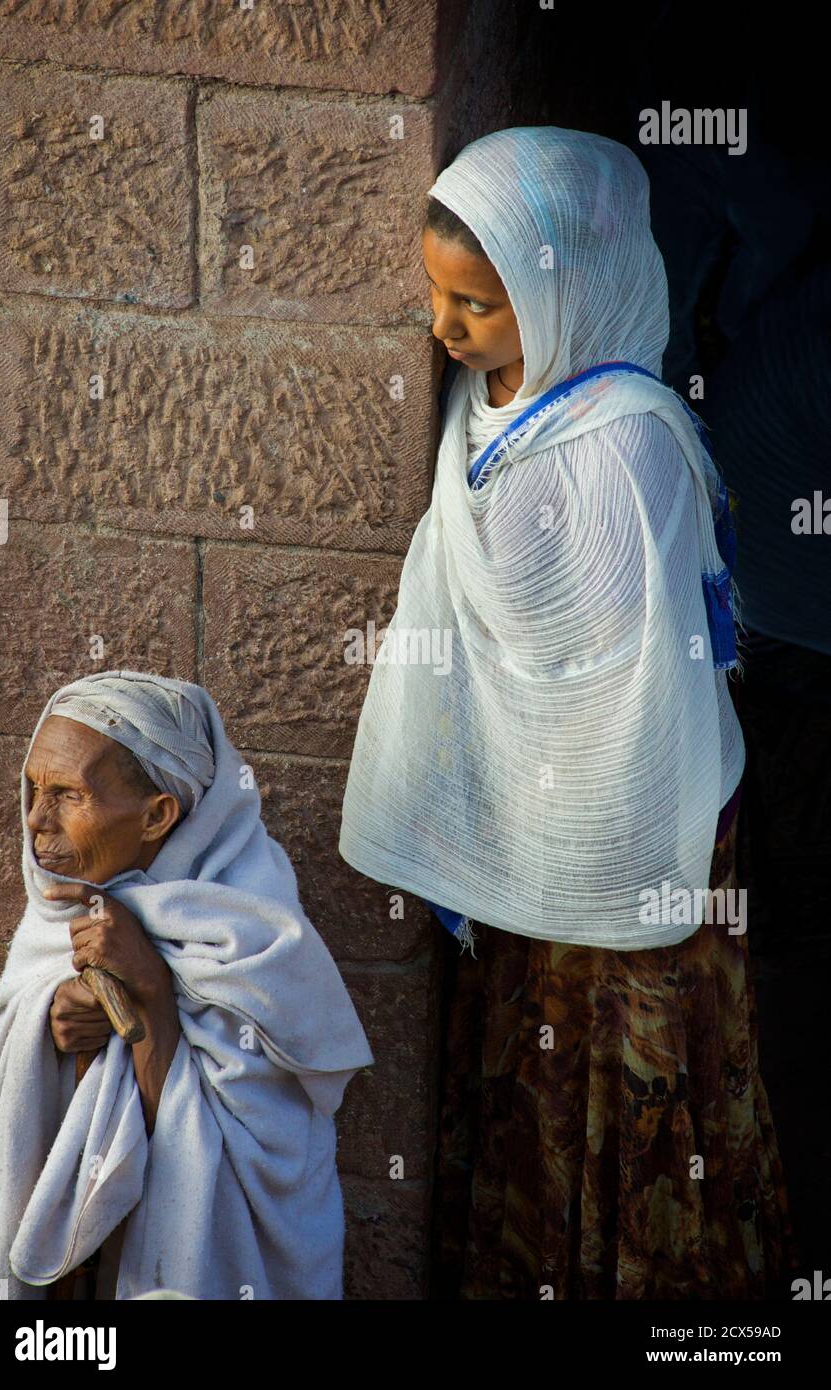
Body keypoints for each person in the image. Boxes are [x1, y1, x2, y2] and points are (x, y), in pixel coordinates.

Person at [338, 126, 797, 1298]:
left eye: (477, 306)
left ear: (568, 292)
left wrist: (572, 811)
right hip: (527, 852)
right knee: (534, 1089)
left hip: (631, 846)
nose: (444, 331)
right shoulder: (491, 402)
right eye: (437, 297)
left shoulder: (624, 451)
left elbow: (627, 694)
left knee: (638, 1100)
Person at [0, 670, 374, 1300]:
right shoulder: (61, 912)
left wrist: (151, 992)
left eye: (68, 795)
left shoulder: (254, 938)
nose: (36, 820)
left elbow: (246, 1150)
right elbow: (6, 1043)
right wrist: (50, 1019)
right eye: (34, 787)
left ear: (158, 815)